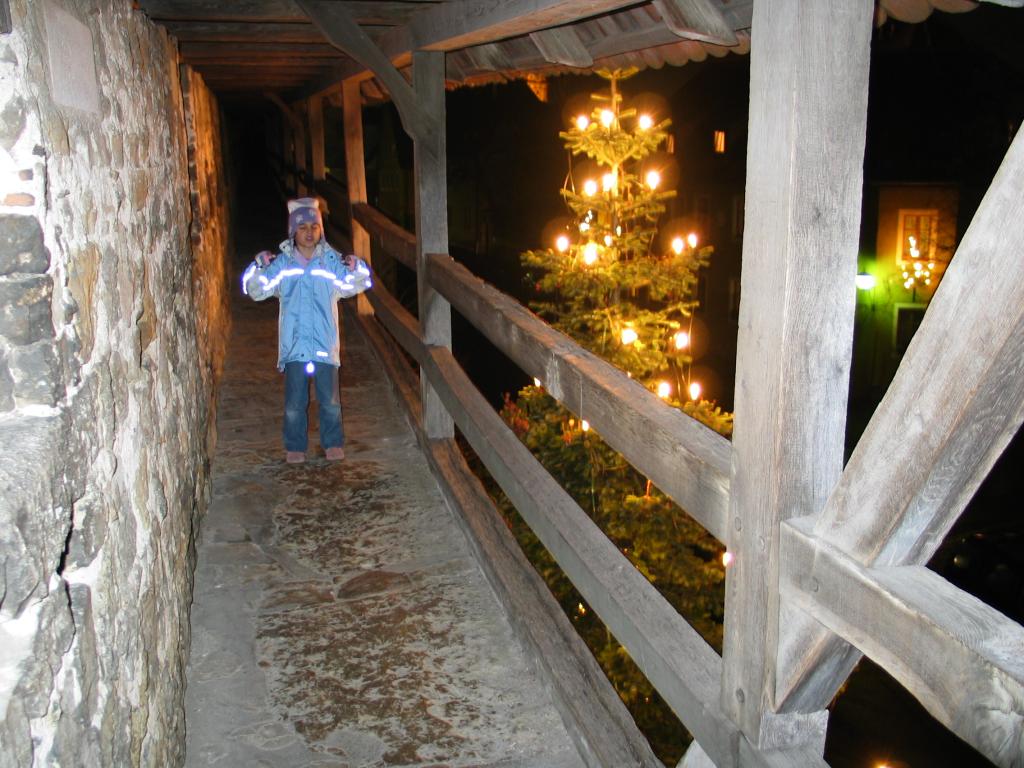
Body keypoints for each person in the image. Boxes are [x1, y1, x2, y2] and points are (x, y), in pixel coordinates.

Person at [242, 197, 372, 464]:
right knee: (294, 404)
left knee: (330, 401)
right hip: (294, 347)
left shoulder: (331, 262)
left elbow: (359, 283)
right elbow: (254, 290)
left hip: (325, 344)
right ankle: (295, 446)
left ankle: (333, 442)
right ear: (293, 231)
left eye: (314, 225)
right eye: (302, 227)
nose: (309, 232)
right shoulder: (282, 265)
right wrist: (258, 266)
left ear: (320, 229)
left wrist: (356, 266)